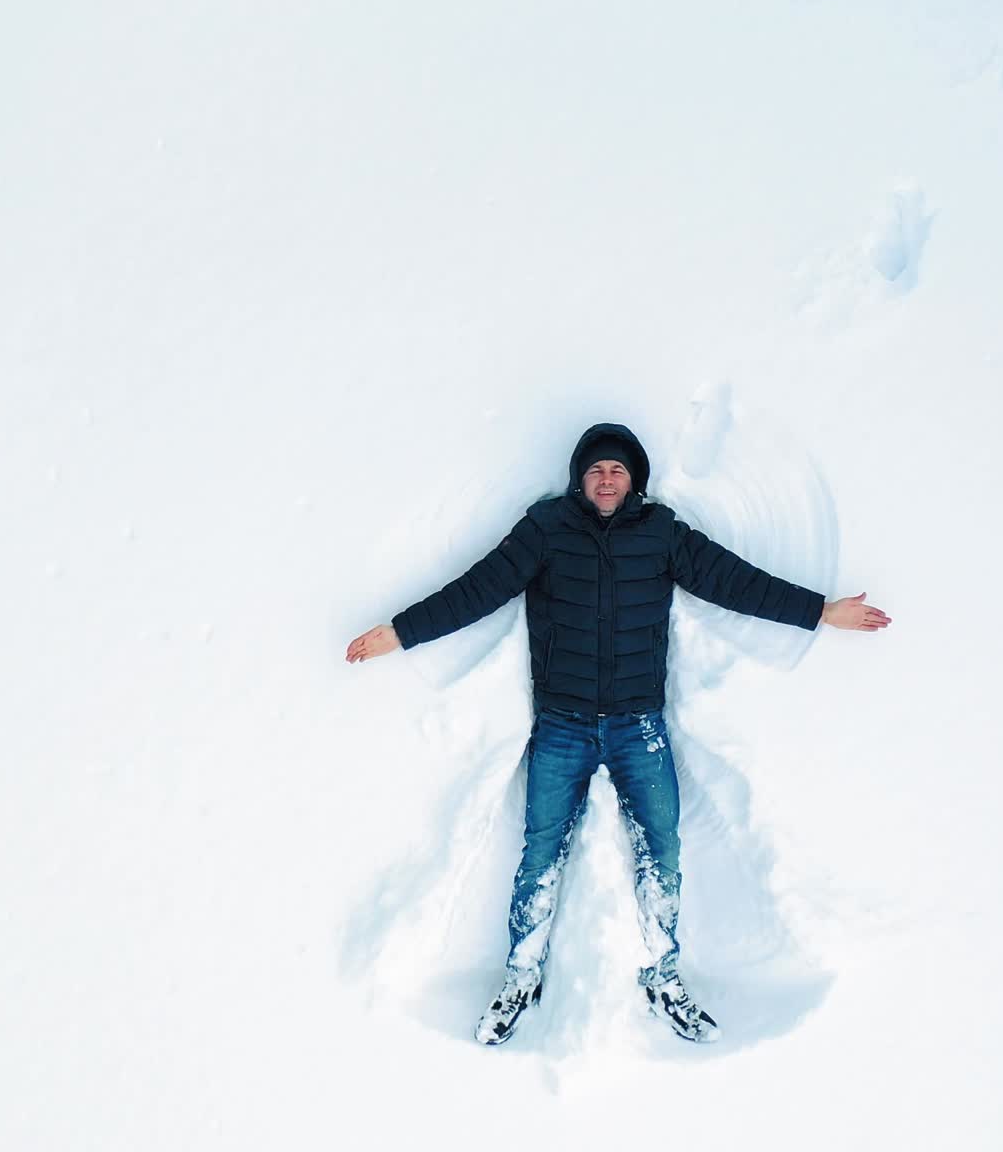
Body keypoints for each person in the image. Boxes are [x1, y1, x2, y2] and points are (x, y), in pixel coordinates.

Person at [345, 422, 891, 1046]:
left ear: (635, 482)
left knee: (661, 850)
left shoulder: (661, 535)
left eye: (618, 471)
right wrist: (399, 632)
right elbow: (478, 590)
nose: (607, 480)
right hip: (563, 726)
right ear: (581, 478)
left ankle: (663, 977)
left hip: (639, 727)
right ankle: (521, 977)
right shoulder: (545, 531)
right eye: (597, 470)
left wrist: (820, 611)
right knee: (540, 854)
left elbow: (735, 581)